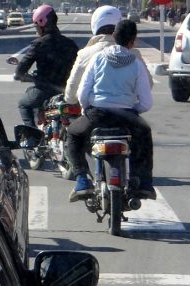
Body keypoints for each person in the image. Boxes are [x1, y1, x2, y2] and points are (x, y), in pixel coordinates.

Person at [66, 20, 154, 200]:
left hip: (97, 114)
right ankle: (143, 182)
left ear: (114, 36)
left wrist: (87, 109)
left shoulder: (98, 58)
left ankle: (82, 179)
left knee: (73, 134)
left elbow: (83, 92)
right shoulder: (136, 64)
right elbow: (146, 102)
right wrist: (131, 109)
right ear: (133, 41)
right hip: (126, 116)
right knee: (144, 134)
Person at [14, 4, 78, 128]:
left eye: (36, 25)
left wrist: (23, 76)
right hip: (68, 90)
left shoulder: (39, 44)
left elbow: (20, 70)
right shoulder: (70, 43)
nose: (36, 29)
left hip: (45, 90)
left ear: (42, 22)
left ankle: (32, 136)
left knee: (23, 104)